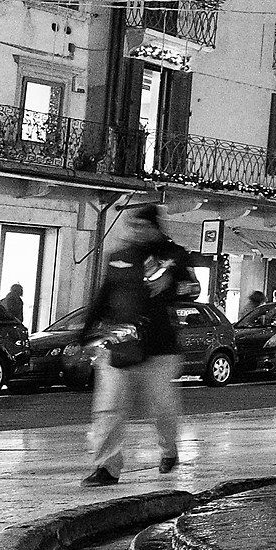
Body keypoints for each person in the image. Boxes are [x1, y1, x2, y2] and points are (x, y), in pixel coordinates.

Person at [79, 206, 194, 486]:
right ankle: (107, 467)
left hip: (159, 348)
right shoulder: (119, 257)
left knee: (161, 408)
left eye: (143, 226)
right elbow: (103, 295)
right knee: (109, 408)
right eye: (134, 226)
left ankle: (169, 449)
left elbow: (192, 288)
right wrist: (84, 332)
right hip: (121, 345)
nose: (137, 232)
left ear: (155, 227)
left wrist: (171, 284)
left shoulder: (174, 256)